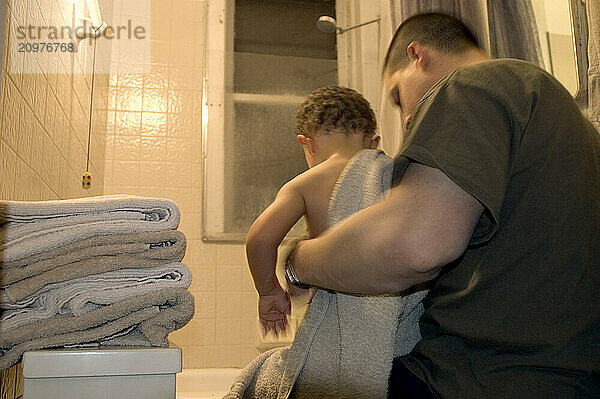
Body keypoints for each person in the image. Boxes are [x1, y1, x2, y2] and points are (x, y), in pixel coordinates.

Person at [284, 13, 600, 398]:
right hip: (569, 382)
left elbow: (414, 246)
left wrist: (299, 262)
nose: (408, 118)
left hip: (472, 381)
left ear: (417, 55)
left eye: (399, 97)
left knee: (279, 381)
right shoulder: (575, 126)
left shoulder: (470, 85)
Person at [245, 85, 380, 336]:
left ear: (307, 144)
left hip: (338, 322)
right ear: (374, 143)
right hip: (390, 316)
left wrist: (269, 292)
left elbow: (259, 239)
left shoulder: (306, 184)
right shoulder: (392, 173)